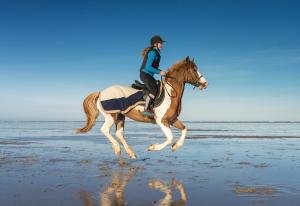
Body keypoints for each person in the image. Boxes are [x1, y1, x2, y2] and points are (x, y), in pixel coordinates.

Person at [140, 35, 167, 116]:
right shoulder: (152, 53)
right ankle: (146, 109)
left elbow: (153, 68)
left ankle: (153, 105)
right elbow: (148, 67)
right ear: (155, 44)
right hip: (145, 74)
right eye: (161, 43)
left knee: (158, 86)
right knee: (154, 89)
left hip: (148, 75)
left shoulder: (156, 53)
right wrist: (160, 72)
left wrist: (162, 72)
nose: (162, 45)